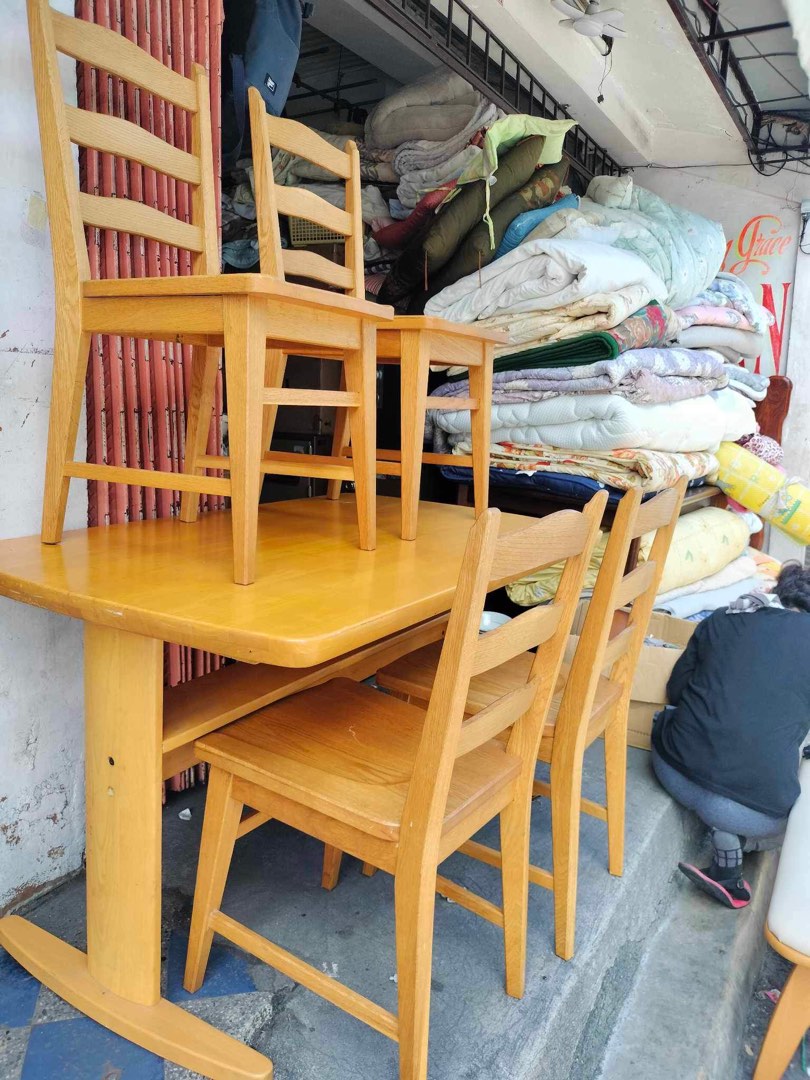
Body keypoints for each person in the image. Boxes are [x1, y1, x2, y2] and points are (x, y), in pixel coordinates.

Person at [651, 562, 810, 909]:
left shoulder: (724, 617)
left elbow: (676, 691)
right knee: (798, 816)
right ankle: (736, 838)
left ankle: (728, 842)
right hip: (755, 812)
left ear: (779, 592)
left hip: (673, 770)